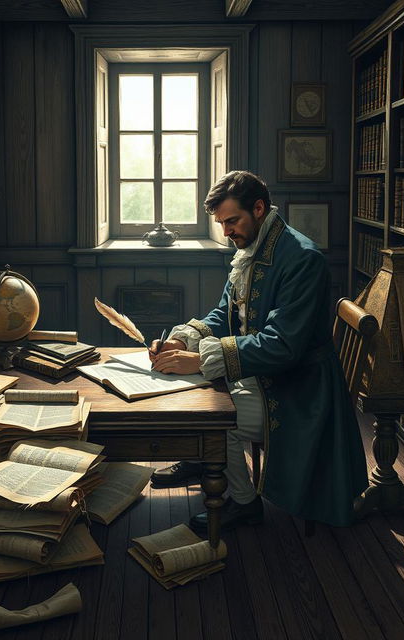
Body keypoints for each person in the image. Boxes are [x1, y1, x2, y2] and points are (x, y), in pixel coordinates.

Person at [149, 170, 368, 535]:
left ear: (259, 208)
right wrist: (183, 341)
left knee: (222, 422)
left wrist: (202, 358)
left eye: (232, 221)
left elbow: (284, 345)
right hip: (264, 372)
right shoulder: (254, 247)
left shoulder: (302, 259)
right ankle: (201, 459)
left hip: (301, 389)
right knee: (190, 381)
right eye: (221, 223)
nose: (226, 231)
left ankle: (244, 504)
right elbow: (226, 312)